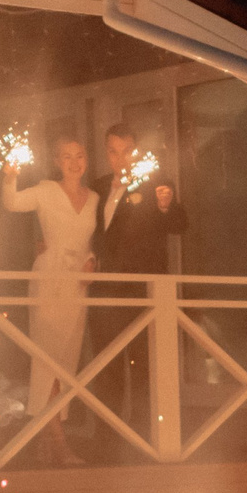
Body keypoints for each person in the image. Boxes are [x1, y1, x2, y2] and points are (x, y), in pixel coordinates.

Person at [87, 123, 189, 435]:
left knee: (144, 362)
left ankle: (146, 434)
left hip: (143, 288)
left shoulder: (154, 182)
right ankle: (108, 434)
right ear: (107, 153)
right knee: (107, 363)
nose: (121, 159)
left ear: (136, 152)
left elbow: (180, 224)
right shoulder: (99, 187)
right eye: (114, 152)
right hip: (106, 288)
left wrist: (164, 205)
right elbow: (90, 233)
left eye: (127, 151)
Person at [1, 135, 98, 447]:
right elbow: (12, 203)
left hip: (76, 284)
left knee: (67, 358)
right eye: (66, 156)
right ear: (57, 162)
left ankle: (48, 435)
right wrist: (10, 177)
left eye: (79, 155)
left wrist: (93, 261)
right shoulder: (45, 191)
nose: (74, 163)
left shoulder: (94, 198)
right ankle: (58, 441)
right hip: (48, 279)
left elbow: (90, 242)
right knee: (48, 357)